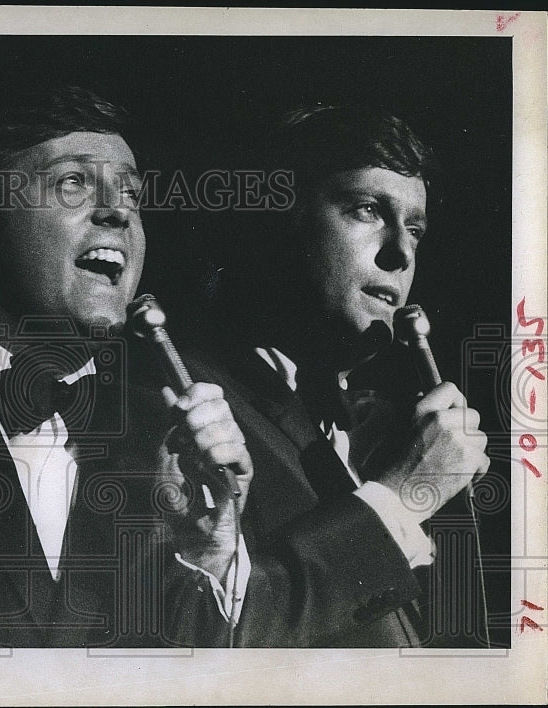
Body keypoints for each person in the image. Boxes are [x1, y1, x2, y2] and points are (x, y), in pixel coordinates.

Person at [0, 86, 253, 648]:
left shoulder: (176, 437)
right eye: (73, 182)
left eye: (131, 192)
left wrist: (211, 550)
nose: (117, 210)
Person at [182, 105, 490, 647]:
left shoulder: (381, 431)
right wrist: (405, 496)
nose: (400, 252)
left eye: (415, 229)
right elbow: (217, 637)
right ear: (281, 224)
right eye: (369, 210)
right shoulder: (189, 399)